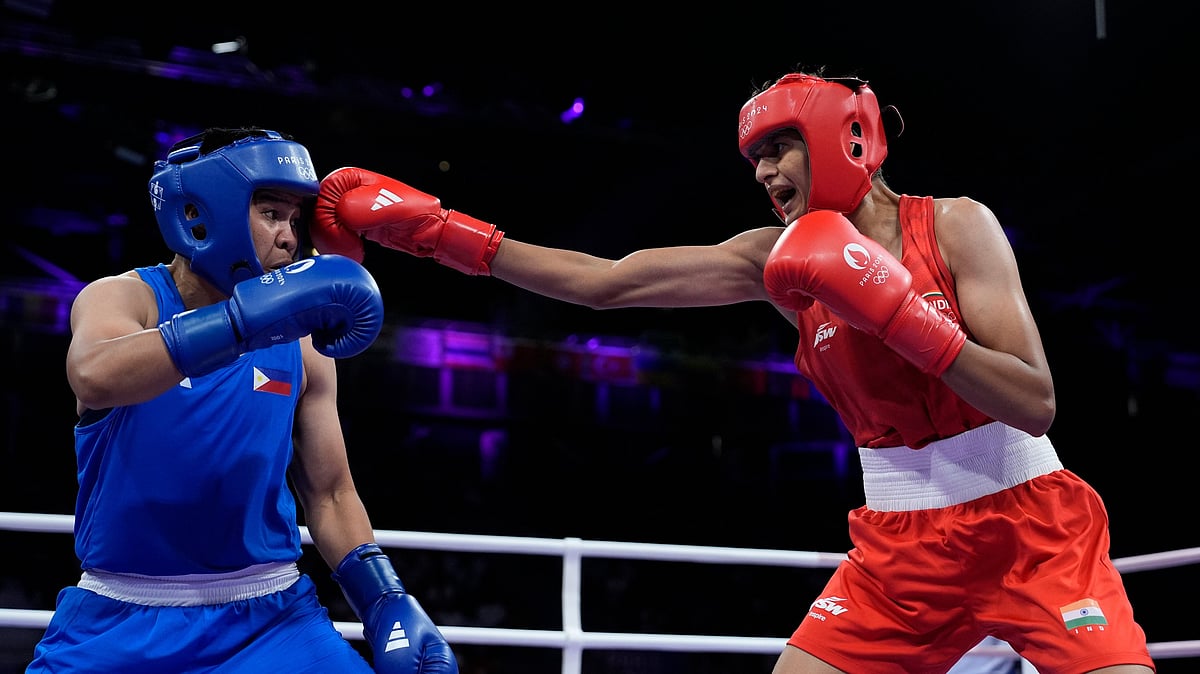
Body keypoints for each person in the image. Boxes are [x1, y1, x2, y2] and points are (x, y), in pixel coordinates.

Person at [309, 70, 1156, 673]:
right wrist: (440, 232)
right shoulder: (772, 260)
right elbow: (605, 282)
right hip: (900, 549)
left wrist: (896, 313)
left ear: (849, 137)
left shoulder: (958, 227)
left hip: (1030, 530)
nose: (764, 173)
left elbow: (1036, 402)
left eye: (780, 148)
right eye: (754, 159)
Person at [27, 127, 458, 674]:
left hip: (271, 619)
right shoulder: (126, 298)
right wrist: (243, 321)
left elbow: (329, 493)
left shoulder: (303, 340)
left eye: (296, 220)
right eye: (271, 213)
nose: (289, 238)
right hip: (118, 617)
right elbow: (94, 375)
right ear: (203, 212)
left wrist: (383, 597)